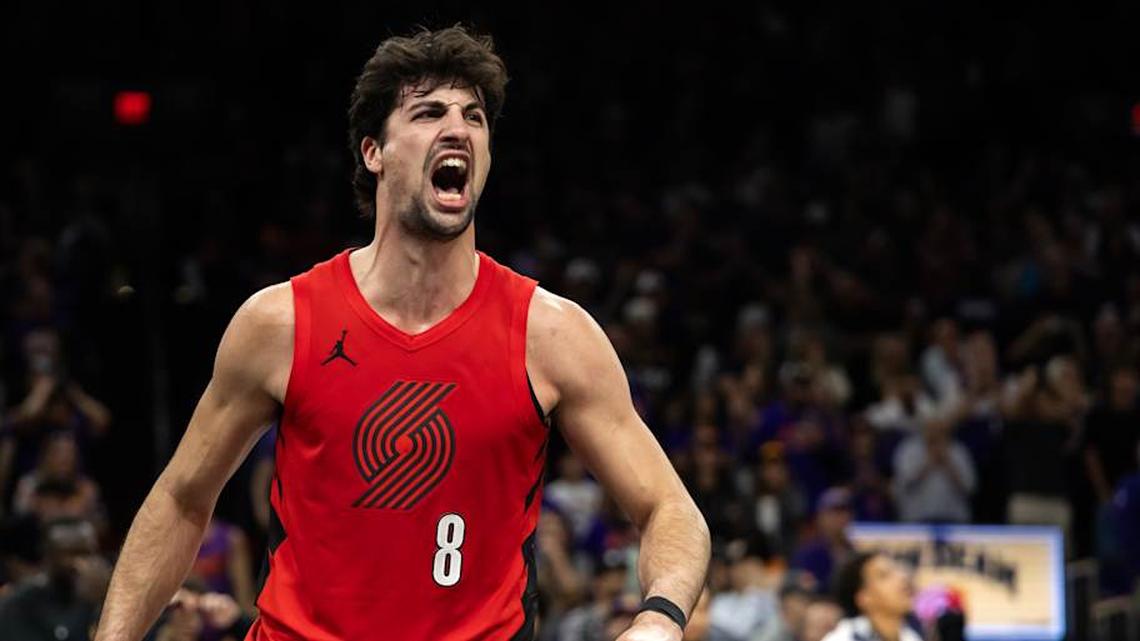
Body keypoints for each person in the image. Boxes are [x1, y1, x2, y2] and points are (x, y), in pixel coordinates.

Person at [94, 25, 709, 641]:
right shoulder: (280, 322)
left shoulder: (550, 334)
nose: (459, 129)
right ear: (374, 152)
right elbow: (181, 499)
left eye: (474, 116)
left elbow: (671, 510)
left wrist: (660, 618)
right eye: (428, 112)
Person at [0, 517, 110, 641]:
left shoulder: (105, 596)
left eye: (86, 553)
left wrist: (102, 600)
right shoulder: (20, 604)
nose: (79, 562)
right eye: (70, 553)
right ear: (48, 556)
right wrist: (87, 604)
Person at [824, 552, 919, 641]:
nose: (902, 577)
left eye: (898, 571)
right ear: (863, 598)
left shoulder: (911, 636)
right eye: (884, 575)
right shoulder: (842, 638)